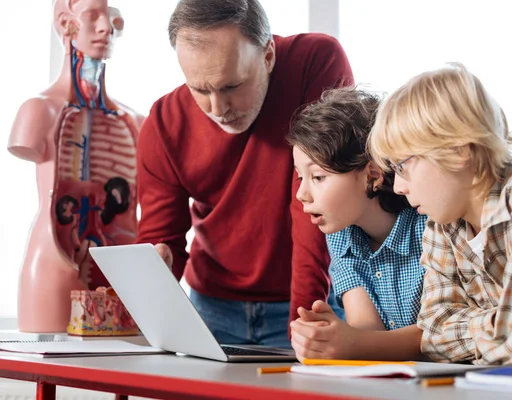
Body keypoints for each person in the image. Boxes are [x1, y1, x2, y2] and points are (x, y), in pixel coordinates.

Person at [136, 0, 353, 347]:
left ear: (267, 56)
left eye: (232, 86)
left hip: (313, 301)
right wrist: (158, 265)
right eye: (200, 90)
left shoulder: (315, 62)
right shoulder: (164, 122)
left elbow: (315, 202)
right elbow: (162, 241)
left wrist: (302, 323)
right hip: (211, 308)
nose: (218, 110)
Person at [368, 62, 512, 365]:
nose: (397, 186)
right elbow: (432, 333)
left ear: (459, 151)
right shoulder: (443, 224)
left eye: (402, 166)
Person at [7, 0, 144, 332]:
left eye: (111, 18)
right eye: (92, 16)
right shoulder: (39, 112)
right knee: (52, 368)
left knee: (125, 369)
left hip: (122, 265)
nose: (105, 28)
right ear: (65, 24)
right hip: (53, 257)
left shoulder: (137, 122)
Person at [287, 87, 427, 361]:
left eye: (317, 177)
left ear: (371, 175)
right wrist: (335, 335)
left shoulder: (428, 225)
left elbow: (436, 334)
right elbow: (367, 328)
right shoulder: (341, 236)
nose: (301, 194)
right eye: (298, 178)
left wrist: (354, 342)